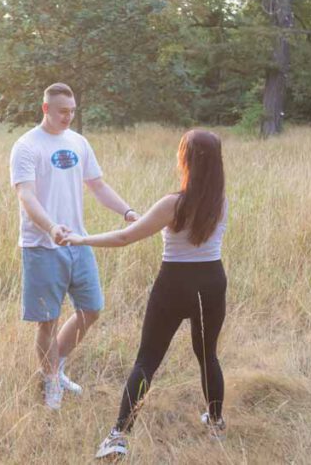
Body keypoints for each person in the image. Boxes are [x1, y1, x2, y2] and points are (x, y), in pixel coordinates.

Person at [58, 129, 228, 458]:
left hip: (174, 284)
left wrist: (80, 239)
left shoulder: (174, 203)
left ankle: (118, 436)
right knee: (208, 356)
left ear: (186, 160)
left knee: (147, 360)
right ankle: (216, 423)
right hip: (211, 282)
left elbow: (125, 238)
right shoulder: (220, 202)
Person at [10, 82, 139, 410]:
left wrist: (127, 212)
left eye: (72, 111)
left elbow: (97, 185)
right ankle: (50, 379)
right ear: (46, 109)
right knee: (47, 321)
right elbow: (26, 195)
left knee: (91, 309)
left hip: (79, 242)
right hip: (42, 246)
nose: (68, 117)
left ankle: (57, 366)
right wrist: (51, 227)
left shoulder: (79, 142)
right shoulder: (26, 146)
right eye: (62, 111)